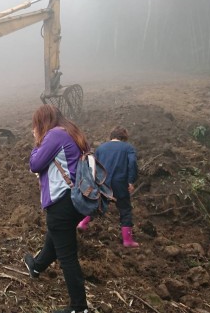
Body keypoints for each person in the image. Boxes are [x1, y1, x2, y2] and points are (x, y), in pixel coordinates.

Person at [23, 104, 89, 313]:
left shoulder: (53, 136)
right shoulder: (71, 131)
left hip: (62, 202)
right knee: (56, 235)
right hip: (76, 199)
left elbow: (35, 163)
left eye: (36, 125)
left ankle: (79, 307)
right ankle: (36, 265)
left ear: (42, 122)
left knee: (67, 256)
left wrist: (37, 141)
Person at [89, 126, 139, 248]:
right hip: (120, 183)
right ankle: (127, 240)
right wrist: (131, 181)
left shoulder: (101, 148)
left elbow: (94, 166)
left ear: (112, 135)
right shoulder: (128, 148)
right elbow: (132, 163)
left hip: (103, 182)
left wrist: (94, 182)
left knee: (96, 205)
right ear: (124, 137)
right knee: (125, 209)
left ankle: (82, 224)